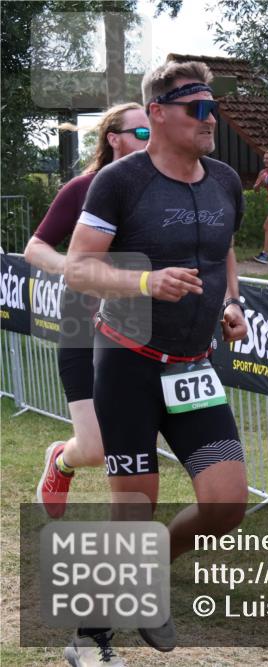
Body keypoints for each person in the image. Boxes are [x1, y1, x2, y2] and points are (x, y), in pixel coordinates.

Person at [64, 60, 249, 665]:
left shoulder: (225, 180)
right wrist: (145, 283)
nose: (210, 118)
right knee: (133, 509)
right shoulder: (120, 182)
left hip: (193, 366)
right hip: (129, 362)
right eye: (198, 108)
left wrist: (233, 303)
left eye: (213, 107)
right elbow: (79, 267)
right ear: (159, 114)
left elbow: (224, 250)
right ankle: (90, 638)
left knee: (226, 504)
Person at [27, 103, 149, 520]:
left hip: (139, 329)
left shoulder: (161, 189)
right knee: (94, 450)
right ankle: (61, 459)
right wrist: (73, 268)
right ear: (114, 139)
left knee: (132, 442)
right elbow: (35, 247)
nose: (151, 140)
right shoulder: (83, 188)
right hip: (82, 323)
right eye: (142, 133)